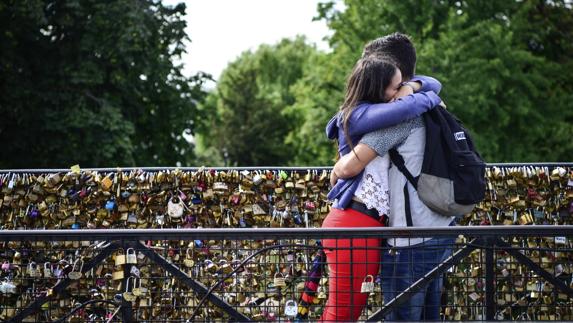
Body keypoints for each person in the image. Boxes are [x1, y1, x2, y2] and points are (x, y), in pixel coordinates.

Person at [331, 34, 456, 321]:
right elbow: (433, 84)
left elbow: (349, 166)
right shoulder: (433, 110)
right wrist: (422, 89)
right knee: (429, 316)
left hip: (409, 239)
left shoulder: (398, 118)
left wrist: (337, 169)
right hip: (443, 226)